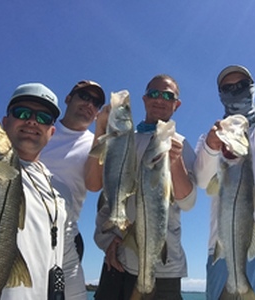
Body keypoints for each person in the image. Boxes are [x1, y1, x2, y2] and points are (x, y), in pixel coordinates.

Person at [85, 74, 197, 300]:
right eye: (154, 94)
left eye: (168, 95)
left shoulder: (182, 146)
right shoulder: (123, 140)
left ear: (177, 104)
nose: (160, 99)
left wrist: (176, 164)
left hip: (165, 265)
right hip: (118, 260)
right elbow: (98, 190)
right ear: (144, 99)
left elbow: (187, 202)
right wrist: (106, 241)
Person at [194, 65, 255, 299]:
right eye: (228, 88)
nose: (236, 91)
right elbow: (203, 182)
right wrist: (211, 147)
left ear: (253, 89)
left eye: (242, 85)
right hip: (223, 252)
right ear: (220, 95)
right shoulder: (208, 140)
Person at [0, 82, 67, 299]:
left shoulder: (54, 189)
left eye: (43, 118)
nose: (32, 121)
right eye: (22, 112)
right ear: (5, 122)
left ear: (52, 131)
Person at [40, 80, 106, 299]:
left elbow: (94, 185)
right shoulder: (38, 128)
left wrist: (101, 132)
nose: (89, 104)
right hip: (20, 224)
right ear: (68, 99)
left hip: (66, 235)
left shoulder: (94, 143)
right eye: (84, 96)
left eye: (96, 103)